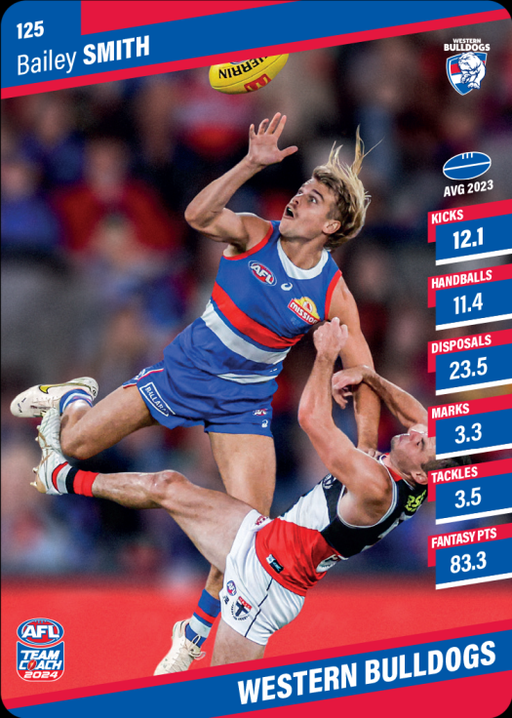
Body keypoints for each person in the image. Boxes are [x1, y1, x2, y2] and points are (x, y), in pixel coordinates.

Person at [10, 113, 380, 671]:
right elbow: (197, 215)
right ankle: (72, 399)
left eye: (312, 199)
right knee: (75, 445)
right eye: (301, 191)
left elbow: (366, 374)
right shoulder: (254, 232)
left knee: (244, 539)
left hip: (243, 403)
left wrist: (367, 447)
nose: (297, 199)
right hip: (184, 372)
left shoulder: (333, 292)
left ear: (330, 225)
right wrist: (250, 163)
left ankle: (193, 635)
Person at [30, 320, 466, 668]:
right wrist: (368, 374)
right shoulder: (417, 473)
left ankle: (196, 638)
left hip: (268, 584)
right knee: (168, 485)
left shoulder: (376, 486)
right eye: (422, 434)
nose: (415, 435)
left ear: (423, 472)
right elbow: (416, 414)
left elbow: (312, 421)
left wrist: (326, 356)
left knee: (225, 697)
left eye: (421, 444)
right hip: (262, 537)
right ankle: (60, 477)